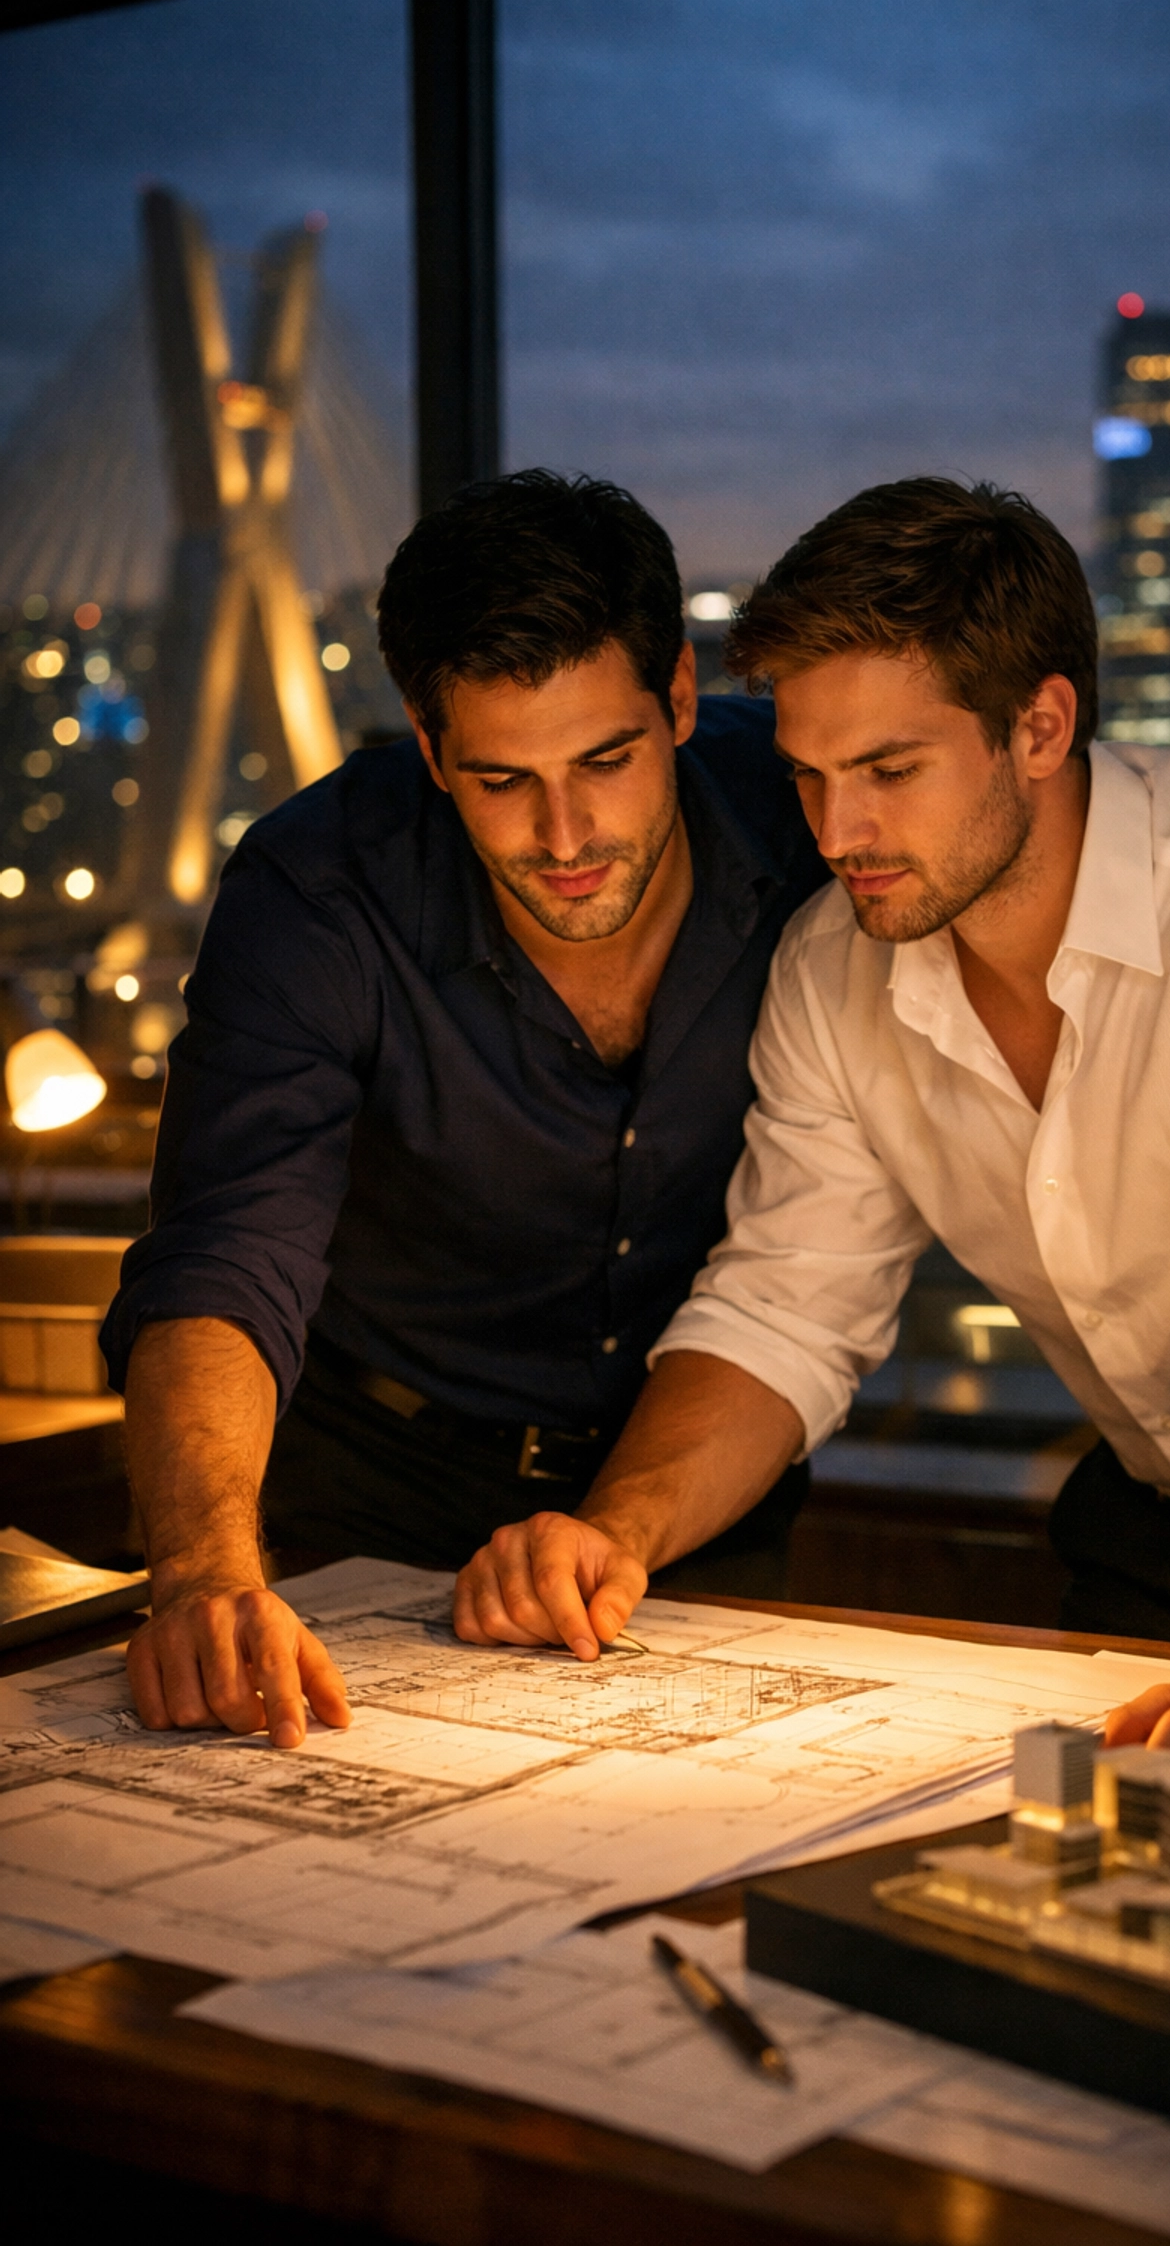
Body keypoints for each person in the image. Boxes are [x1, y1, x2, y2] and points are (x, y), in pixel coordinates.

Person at [459, 476, 1170, 1751]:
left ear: (1038, 727)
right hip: (1162, 1536)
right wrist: (615, 1532)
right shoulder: (832, 964)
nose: (838, 830)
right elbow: (783, 1306)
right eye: (806, 775)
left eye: (889, 770)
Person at [104, 470, 824, 1748]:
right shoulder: (322, 888)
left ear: (680, 700)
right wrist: (208, 1576)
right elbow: (227, 1253)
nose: (566, 833)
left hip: (697, 1485)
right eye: (500, 780)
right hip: (371, 1490)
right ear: (429, 752)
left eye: (607, 758)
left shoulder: (807, 822)